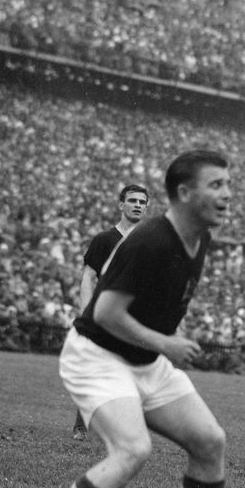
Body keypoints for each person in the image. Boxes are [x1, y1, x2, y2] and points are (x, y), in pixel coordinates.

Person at [38, 150, 235, 488]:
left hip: (144, 360)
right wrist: (166, 342)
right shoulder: (149, 240)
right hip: (96, 356)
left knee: (210, 442)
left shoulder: (200, 238)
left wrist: (160, 345)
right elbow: (106, 313)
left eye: (228, 185)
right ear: (183, 193)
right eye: (216, 185)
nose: (226, 195)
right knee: (132, 448)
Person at [71, 184, 150, 439]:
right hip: (105, 316)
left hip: (135, 317)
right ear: (121, 205)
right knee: (96, 370)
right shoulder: (105, 239)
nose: (138, 205)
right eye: (133, 200)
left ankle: (122, 429)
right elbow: (88, 276)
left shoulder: (148, 241)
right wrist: (87, 312)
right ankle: (81, 427)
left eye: (142, 202)